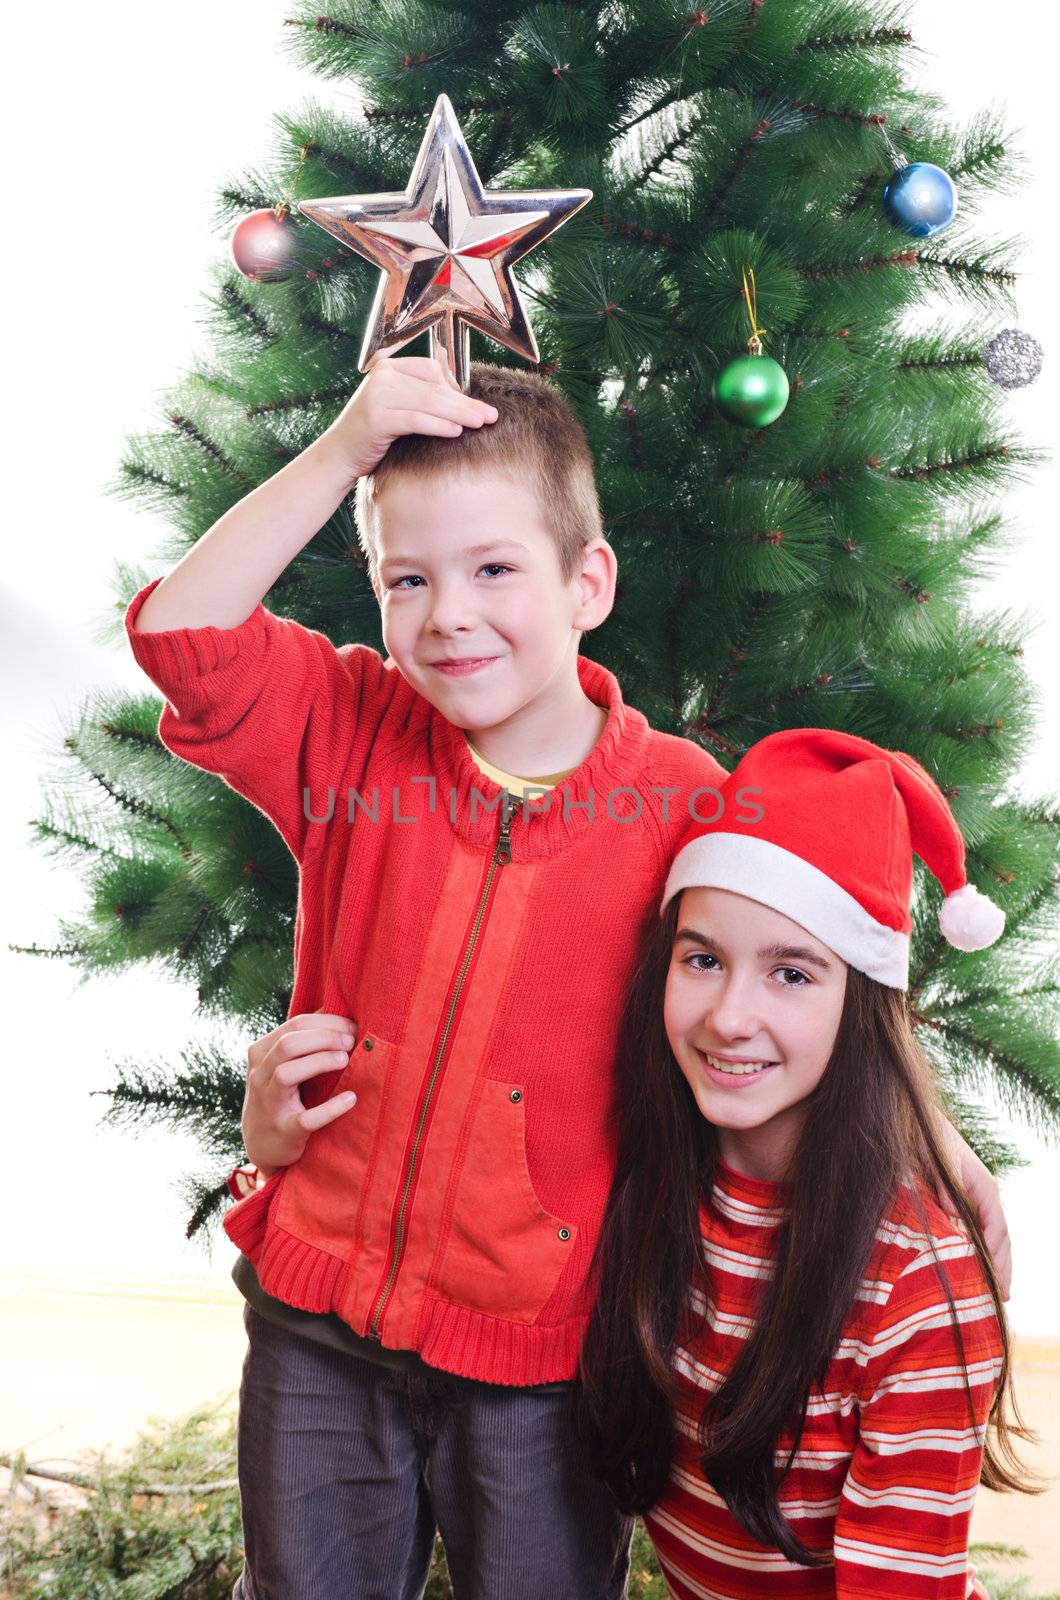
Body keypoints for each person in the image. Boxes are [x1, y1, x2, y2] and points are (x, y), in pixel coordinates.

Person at [126, 356, 1010, 1600]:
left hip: (545, 1354)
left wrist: (935, 1142)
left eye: (494, 569)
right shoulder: (354, 732)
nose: (448, 615)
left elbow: (818, 970)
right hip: (317, 1323)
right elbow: (181, 636)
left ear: (586, 580)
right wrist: (342, 450)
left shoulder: (691, 808)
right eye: (407, 579)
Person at [575, 728, 1039, 1599]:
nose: (729, 1018)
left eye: (791, 974)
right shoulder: (648, 1184)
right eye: (702, 959)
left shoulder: (914, 1291)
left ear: (860, 999)